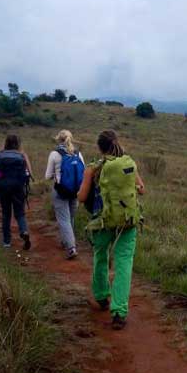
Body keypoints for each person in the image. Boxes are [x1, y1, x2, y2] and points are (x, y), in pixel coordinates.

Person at [77, 130, 145, 330]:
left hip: (102, 222)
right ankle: (119, 312)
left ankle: (101, 296)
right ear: (116, 144)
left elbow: (81, 198)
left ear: (99, 148)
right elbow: (142, 188)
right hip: (127, 221)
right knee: (124, 263)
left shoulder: (93, 169)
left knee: (100, 256)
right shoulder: (128, 163)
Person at [45, 129, 84, 260]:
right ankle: (67, 241)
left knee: (64, 219)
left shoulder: (55, 154)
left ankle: (71, 247)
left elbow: (47, 176)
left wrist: (56, 175)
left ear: (58, 139)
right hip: (76, 191)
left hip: (61, 191)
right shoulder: (78, 153)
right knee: (70, 218)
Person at [0, 134, 33, 250]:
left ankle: (6, 242)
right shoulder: (21, 155)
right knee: (20, 213)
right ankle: (24, 231)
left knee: (6, 214)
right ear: (18, 144)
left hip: (3, 187)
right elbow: (29, 172)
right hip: (18, 187)